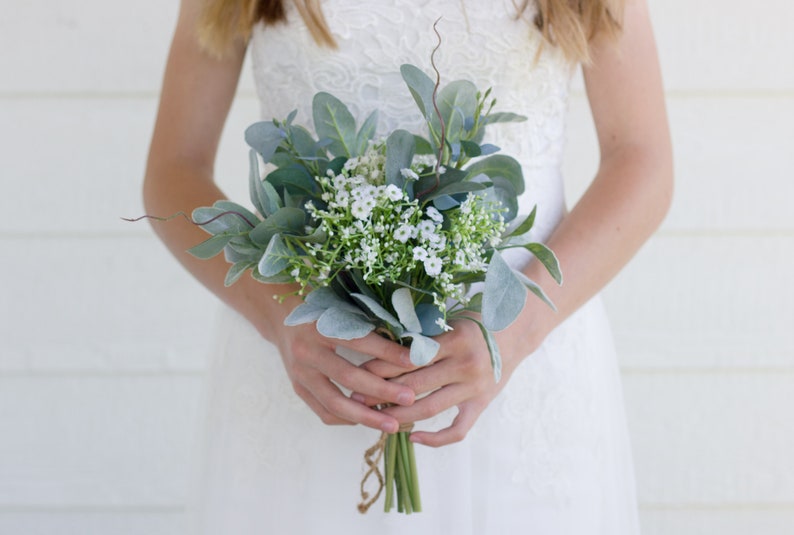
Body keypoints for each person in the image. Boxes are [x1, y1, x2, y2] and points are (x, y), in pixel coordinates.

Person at [143, 0, 672, 532]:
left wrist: (512, 332)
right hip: (307, 365)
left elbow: (641, 158)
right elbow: (174, 168)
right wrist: (278, 314)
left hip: (522, 367)